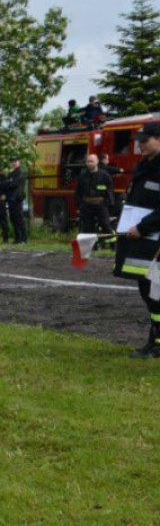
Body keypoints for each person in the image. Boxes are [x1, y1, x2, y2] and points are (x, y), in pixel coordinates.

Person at [113, 122, 160, 358]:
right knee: (147, 289)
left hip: (154, 238)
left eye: (145, 140)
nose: (140, 144)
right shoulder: (144, 166)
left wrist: (143, 227)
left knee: (157, 290)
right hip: (144, 239)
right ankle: (156, 339)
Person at [75, 154, 115, 236]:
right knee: (87, 227)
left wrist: (108, 205)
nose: (89, 163)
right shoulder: (82, 176)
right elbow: (78, 192)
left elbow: (110, 191)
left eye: (91, 161)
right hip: (86, 206)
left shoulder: (105, 176)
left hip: (101, 205)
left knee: (105, 225)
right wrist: (79, 205)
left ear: (97, 162)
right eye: (88, 161)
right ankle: (92, 246)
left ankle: (111, 244)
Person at [7, 156, 28, 243]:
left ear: (19, 162)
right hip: (11, 199)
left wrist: (10, 183)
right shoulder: (11, 174)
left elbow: (14, 184)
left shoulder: (21, 173)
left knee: (19, 219)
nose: (14, 163)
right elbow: (8, 184)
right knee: (13, 218)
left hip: (18, 199)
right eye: (12, 161)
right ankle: (17, 237)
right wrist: (9, 183)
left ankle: (24, 238)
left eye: (15, 161)